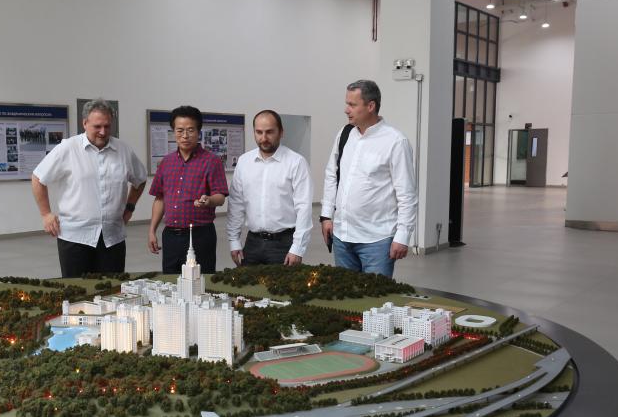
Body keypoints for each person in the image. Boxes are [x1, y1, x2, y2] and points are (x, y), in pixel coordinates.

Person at [31, 98, 147, 277]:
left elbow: (140, 179)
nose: (103, 132)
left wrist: (130, 206)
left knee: (112, 289)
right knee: (77, 289)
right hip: (75, 238)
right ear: (85, 123)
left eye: (107, 126)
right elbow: (38, 178)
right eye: (97, 126)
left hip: (112, 238)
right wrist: (46, 214)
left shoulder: (123, 150)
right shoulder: (68, 148)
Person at [320, 79, 417, 278]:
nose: (346, 110)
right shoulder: (345, 134)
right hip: (342, 237)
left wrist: (403, 236)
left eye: (352, 104)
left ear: (371, 106)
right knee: (345, 294)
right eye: (347, 103)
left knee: (375, 296)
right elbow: (331, 174)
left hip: (377, 241)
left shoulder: (396, 141)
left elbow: (407, 194)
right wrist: (326, 216)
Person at [226, 109, 313, 267]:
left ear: (281, 132)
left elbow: (304, 208)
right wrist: (234, 240)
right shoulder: (244, 162)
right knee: (246, 284)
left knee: (282, 284)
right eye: (259, 132)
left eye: (269, 132)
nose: (264, 138)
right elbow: (236, 203)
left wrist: (298, 248)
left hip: (284, 245)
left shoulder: (296, 163)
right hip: (252, 243)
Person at [148, 105, 228, 274]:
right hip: (170, 236)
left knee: (201, 281)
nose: (185, 135)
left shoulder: (211, 161)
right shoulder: (166, 162)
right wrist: (152, 230)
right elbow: (160, 198)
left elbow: (220, 197)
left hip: (200, 236)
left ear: (199, 132)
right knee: (171, 281)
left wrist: (209, 200)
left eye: (190, 130)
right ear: (173, 132)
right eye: (180, 130)